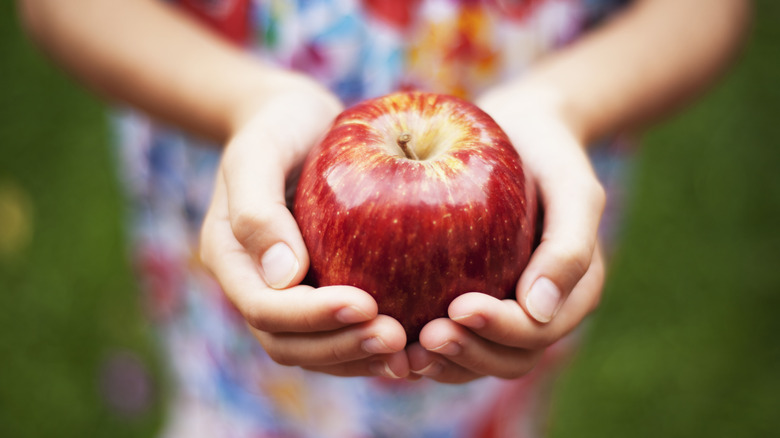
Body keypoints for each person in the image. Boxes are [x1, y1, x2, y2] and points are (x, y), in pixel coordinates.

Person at [18, 0, 750, 436]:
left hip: (511, 223)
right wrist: (249, 103)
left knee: (483, 397)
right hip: (248, 209)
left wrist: (564, 105)